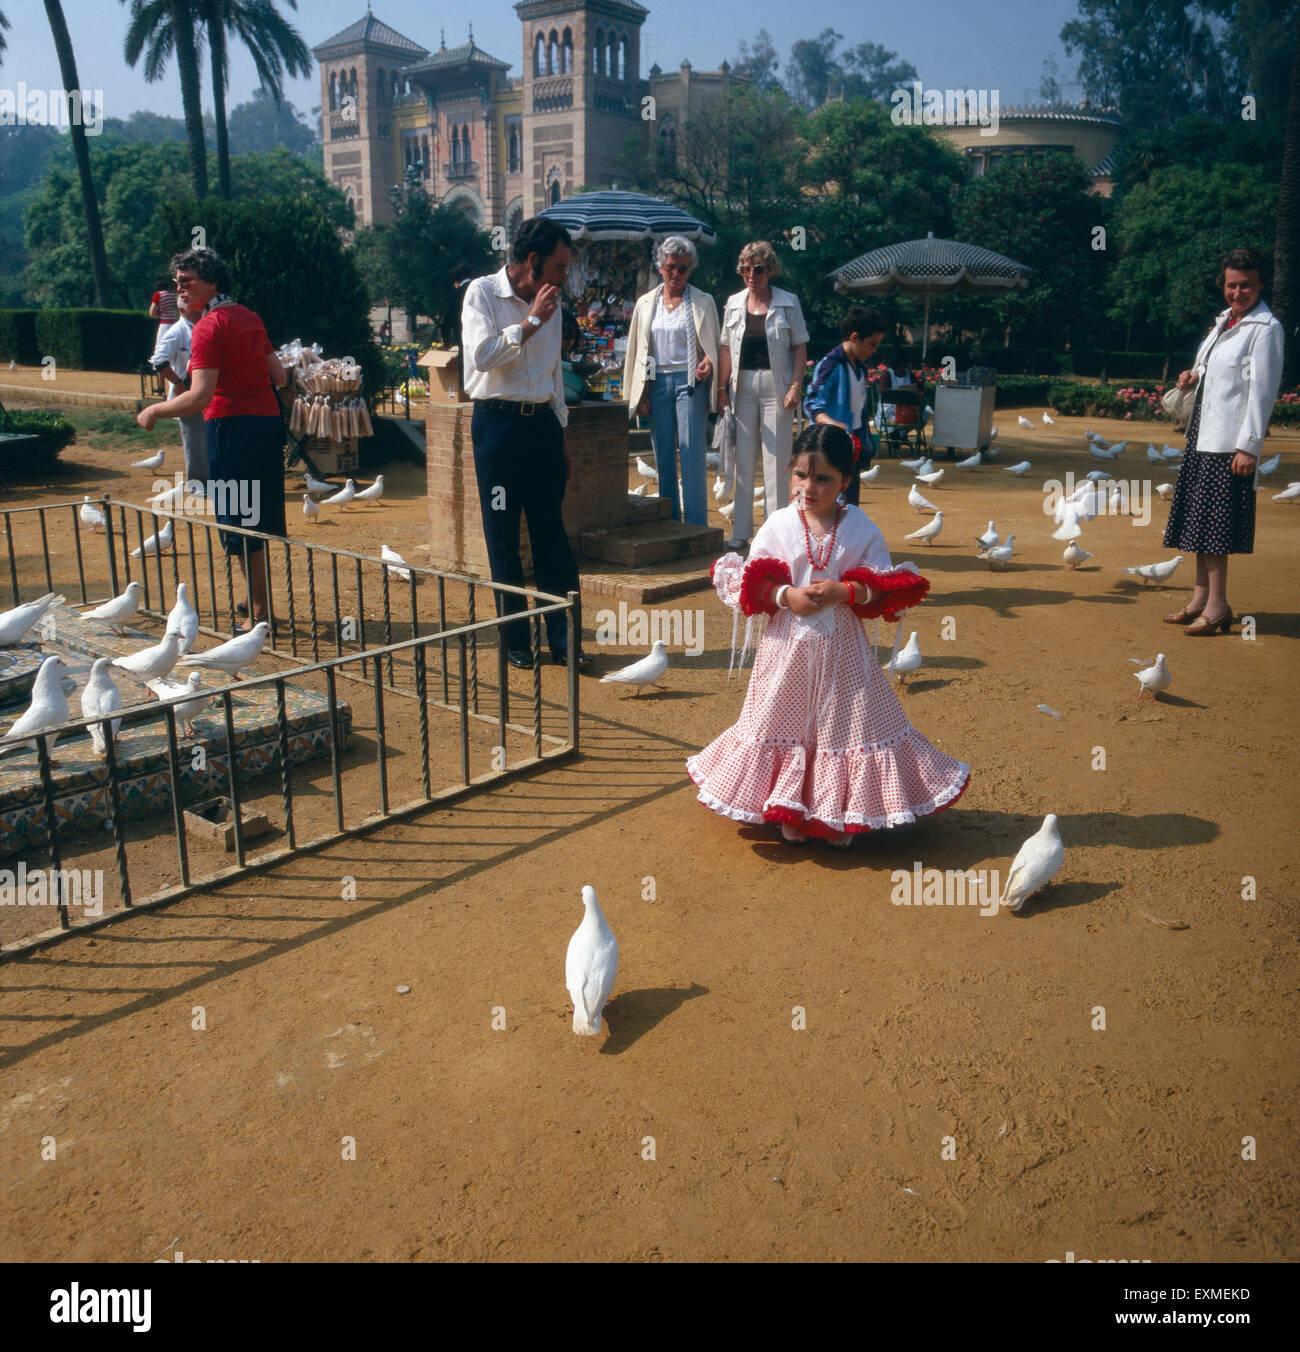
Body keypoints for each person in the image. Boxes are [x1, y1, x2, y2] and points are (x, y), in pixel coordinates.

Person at [686, 424, 970, 847]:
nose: (809, 487)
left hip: (844, 651)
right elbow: (746, 580)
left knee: (843, 725)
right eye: (800, 475)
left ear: (845, 481)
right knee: (785, 720)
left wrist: (847, 591)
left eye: (823, 479)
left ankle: (838, 811)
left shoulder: (860, 527)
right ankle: (790, 808)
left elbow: (883, 581)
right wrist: (784, 594)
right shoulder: (779, 524)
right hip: (786, 651)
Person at [460, 216, 590, 671]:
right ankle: (515, 639)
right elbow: (482, 357)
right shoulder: (482, 294)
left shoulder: (552, 304)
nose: (563, 277)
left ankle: (564, 641)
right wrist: (531, 321)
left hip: (542, 432)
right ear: (532, 261)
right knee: (502, 535)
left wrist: (563, 438)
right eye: (558, 267)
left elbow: (554, 375)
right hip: (497, 430)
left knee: (551, 534)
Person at [136, 247, 287, 633]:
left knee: (239, 520)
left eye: (187, 282)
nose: (179, 290)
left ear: (212, 282)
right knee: (257, 517)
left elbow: (200, 395)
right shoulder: (249, 317)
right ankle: (259, 603)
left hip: (231, 426)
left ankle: (259, 612)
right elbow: (279, 376)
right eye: (176, 283)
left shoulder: (208, 326)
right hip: (266, 423)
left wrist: (155, 410)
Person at [1162, 246, 1284, 635]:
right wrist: (1192, 376)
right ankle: (1200, 599)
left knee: (1215, 525)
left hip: (1230, 442)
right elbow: (1213, 369)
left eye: (1246, 285)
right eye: (1231, 285)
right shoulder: (1224, 322)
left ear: (1261, 283)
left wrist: (1249, 446)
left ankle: (1217, 607)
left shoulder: (1266, 329)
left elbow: (1261, 392)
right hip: (1203, 434)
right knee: (1200, 522)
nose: (1237, 292)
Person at [622, 235, 720, 526]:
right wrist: (642, 393)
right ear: (660, 267)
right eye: (670, 267)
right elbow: (639, 352)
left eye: (683, 268)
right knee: (662, 454)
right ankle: (669, 523)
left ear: (690, 269)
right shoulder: (645, 303)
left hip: (690, 383)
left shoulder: (703, 301)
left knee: (691, 455)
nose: (676, 274)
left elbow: (713, 346)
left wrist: (707, 362)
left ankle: (695, 526)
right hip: (658, 381)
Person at [716, 241, 809, 551]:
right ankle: (741, 532)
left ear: (770, 271)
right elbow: (726, 347)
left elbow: (799, 346)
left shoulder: (788, 302)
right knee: (742, 462)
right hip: (741, 387)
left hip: (777, 388)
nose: (751, 275)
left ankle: (775, 534)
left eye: (757, 269)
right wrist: (720, 390)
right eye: (745, 269)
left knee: (777, 463)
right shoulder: (732, 303)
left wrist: (796, 385)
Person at [804, 305, 887, 506]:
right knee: (828, 504)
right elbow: (811, 402)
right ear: (855, 337)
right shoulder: (830, 365)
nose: (874, 350)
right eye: (872, 344)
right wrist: (831, 424)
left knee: (848, 505)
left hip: (852, 446)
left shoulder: (861, 368)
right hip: (829, 446)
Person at [148, 299, 210, 487]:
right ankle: (198, 484)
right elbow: (158, 361)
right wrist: (178, 383)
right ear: (183, 308)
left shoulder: (207, 325)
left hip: (208, 391)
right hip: (188, 392)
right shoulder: (177, 331)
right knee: (195, 438)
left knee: (209, 438)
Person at [149, 277, 178, 349]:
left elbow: (152, 313)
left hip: (165, 325)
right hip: (177, 324)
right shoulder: (176, 295)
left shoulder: (159, 295)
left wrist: (160, 314)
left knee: (162, 349)